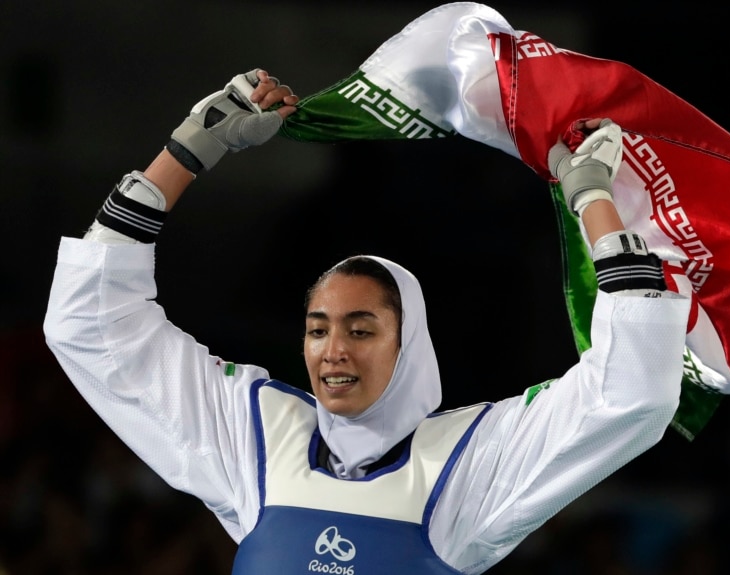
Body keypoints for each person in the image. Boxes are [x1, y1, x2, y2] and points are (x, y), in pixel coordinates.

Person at [43, 69, 694, 574]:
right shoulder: (257, 439)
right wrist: (185, 152)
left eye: (360, 329)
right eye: (318, 327)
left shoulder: (464, 466)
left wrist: (594, 203)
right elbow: (92, 328)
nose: (333, 351)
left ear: (408, 345)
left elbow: (628, 393)